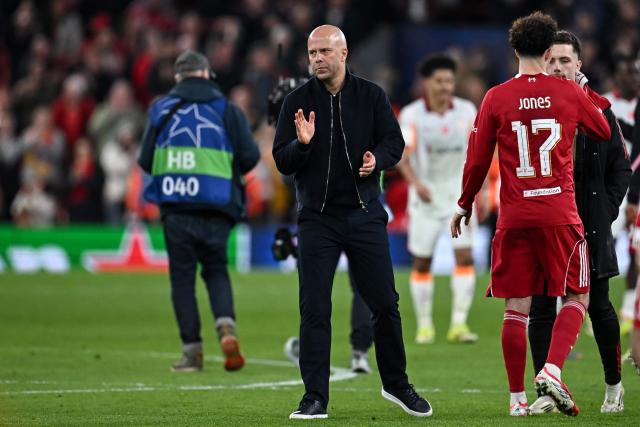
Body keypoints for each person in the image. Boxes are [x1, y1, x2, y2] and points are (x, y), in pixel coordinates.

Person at [450, 12, 611, 417]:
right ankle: (553, 369)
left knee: (516, 307)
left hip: (515, 216)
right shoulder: (566, 93)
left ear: (514, 49)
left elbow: (476, 159)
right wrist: (580, 88)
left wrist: (464, 203)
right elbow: (603, 128)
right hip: (559, 212)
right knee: (578, 294)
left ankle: (516, 399)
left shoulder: (495, 97)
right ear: (546, 51)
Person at [273, 25, 432, 419]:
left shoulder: (372, 96)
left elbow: (394, 144)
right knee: (314, 308)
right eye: (312, 53)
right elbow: (282, 160)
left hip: (364, 215)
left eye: (324, 51)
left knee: (385, 305)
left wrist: (378, 159)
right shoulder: (296, 101)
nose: (317, 59)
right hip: (317, 220)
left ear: (344, 54)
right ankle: (315, 398)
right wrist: (302, 144)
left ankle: (397, 385)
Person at [526, 30, 630, 415]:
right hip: (544, 222)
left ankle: (613, 386)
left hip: (589, 222)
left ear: (579, 65)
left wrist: (606, 209)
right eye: (551, 60)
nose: (557, 67)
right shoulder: (532, 108)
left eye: (565, 60)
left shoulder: (599, 109)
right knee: (540, 307)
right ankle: (546, 389)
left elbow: (621, 169)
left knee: (599, 306)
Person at [138, 50, 260, 373]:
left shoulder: (161, 109)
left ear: (178, 77)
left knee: (182, 280)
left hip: (176, 208)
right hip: (218, 206)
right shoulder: (227, 110)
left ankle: (192, 353)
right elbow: (250, 156)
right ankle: (226, 327)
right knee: (216, 270)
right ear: (206, 74)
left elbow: (145, 160)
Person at [397, 54, 479, 345]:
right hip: (425, 198)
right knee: (422, 262)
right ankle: (425, 325)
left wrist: (477, 189)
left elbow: (480, 152)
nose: (445, 86)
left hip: (459, 198)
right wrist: (416, 183)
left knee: (465, 256)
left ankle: (459, 324)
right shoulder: (411, 115)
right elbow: (402, 156)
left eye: (449, 81)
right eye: (439, 81)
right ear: (426, 83)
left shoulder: (467, 111)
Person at [606, 57, 640, 336]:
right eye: (626, 73)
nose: (632, 78)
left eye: (635, 73)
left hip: (636, 184)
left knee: (636, 253)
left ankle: (629, 312)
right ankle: (596, 307)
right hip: (612, 186)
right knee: (605, 248)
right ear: (616, 77)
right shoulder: (604, 103)